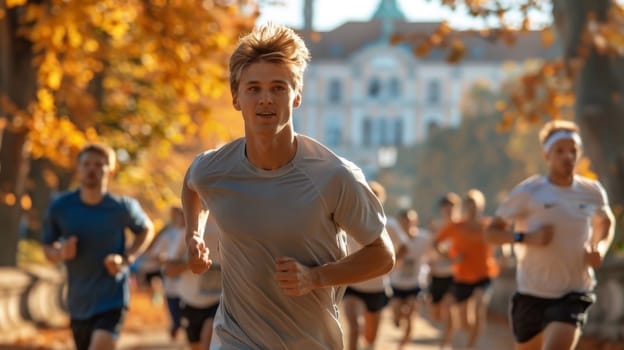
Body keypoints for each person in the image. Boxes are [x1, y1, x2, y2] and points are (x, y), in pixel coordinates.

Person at [181, 23, 396, 349]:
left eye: (278, 87)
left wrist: (316, 278)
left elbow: (383, 255)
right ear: (236, 98)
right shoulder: (216, 168)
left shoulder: (335, 175)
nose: (265, 99)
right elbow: (192, 184)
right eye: (253, 88)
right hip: (235, 338)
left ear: (297, 96)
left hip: (310, 341)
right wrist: (193, 235)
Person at [486, 120, 615, 350]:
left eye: (573, 151)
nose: (568, 156)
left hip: (574, 292)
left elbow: (606, 221)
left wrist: (600, 247)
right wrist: (525, 238)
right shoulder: (529, 191)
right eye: (560, 151)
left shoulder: (591, 191)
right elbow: (491, 233)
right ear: (547, 155)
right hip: (531, 293)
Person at [42, 143, 154, 350]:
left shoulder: (122, 207)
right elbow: (47, 248)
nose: (92, 169)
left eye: (99, 165)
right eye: (86, 164)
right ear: (78, 168)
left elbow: (147, 228)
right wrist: (60, 252)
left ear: (110, 171)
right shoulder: (61, 206)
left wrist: (126, 258)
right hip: (78, 302)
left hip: (113, 299)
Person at [435, 189, 499, 349]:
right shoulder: (456, 226)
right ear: (464, 207)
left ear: (481, 207)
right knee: (464, 322)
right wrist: (450, 258)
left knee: (479, 304)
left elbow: (499, 238)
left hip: (484, 275)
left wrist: (503, 255)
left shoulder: (488, 225)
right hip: (462, 277)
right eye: (469, 206)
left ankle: (470, 347)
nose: (472, 209)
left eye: (476, 206)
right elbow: (435, 244)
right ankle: (456, 338)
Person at [342, 181, 399, 350]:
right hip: (352, 285)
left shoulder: (389, 225)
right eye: (368, 195)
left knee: (370, 338)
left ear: (381, 200)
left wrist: (389, 265)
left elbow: (403, 247)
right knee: (353, 329)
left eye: (375, 196)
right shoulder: (349, 220)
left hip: (376, 288)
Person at [164, 213, 221, 350]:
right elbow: (168, 270)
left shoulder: (232, 231)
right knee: (196, 346)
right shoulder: (187, 234)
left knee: (207, 341)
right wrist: (191, 264)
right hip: (190, 302)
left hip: (218, 302)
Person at [389, 208, 432, 350]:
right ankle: (396, 318)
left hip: (415, 284)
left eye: (410, 220)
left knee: (411, 314)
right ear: (399, 223)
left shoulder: (424, 238)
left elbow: (436, 251)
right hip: (396, 284)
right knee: (397, 312)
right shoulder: (392, 239)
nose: (407, 223)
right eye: (404, 221)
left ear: (416, 221)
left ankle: (403, 345)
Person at [426, 193, 460, 346]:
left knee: (449, 306)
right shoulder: (436, 227)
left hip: (454, 274)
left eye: (452, 208)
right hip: (437, 273)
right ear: (441, 210)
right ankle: (446, 334)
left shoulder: (461, 226)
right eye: (446, 208)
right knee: (436, 313)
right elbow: (430, 248)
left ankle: (445, 343)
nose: (449, 211)